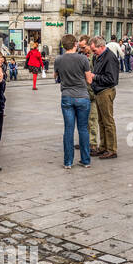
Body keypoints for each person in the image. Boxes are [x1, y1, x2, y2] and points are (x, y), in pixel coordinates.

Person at [55, 34, 93, 169]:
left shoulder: (58, 59)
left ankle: (68, 162)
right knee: (83, 129)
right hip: (82, 96)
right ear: (75, 44)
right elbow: (89, 80)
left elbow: (56, 76)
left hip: (66, 96)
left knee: (68, 129)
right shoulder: (83, 59)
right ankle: (86, 160)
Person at [89, 36, 120, 160]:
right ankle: (103, 147)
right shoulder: (99, 56)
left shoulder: (110, 58)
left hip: (105, 91)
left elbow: (112, 79)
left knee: (108, 122)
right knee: (101, 122)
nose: (93, 53)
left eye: (94, 50)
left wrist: (95, 77)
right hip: (99, 91)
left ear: (101, 47)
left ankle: (111, 149)